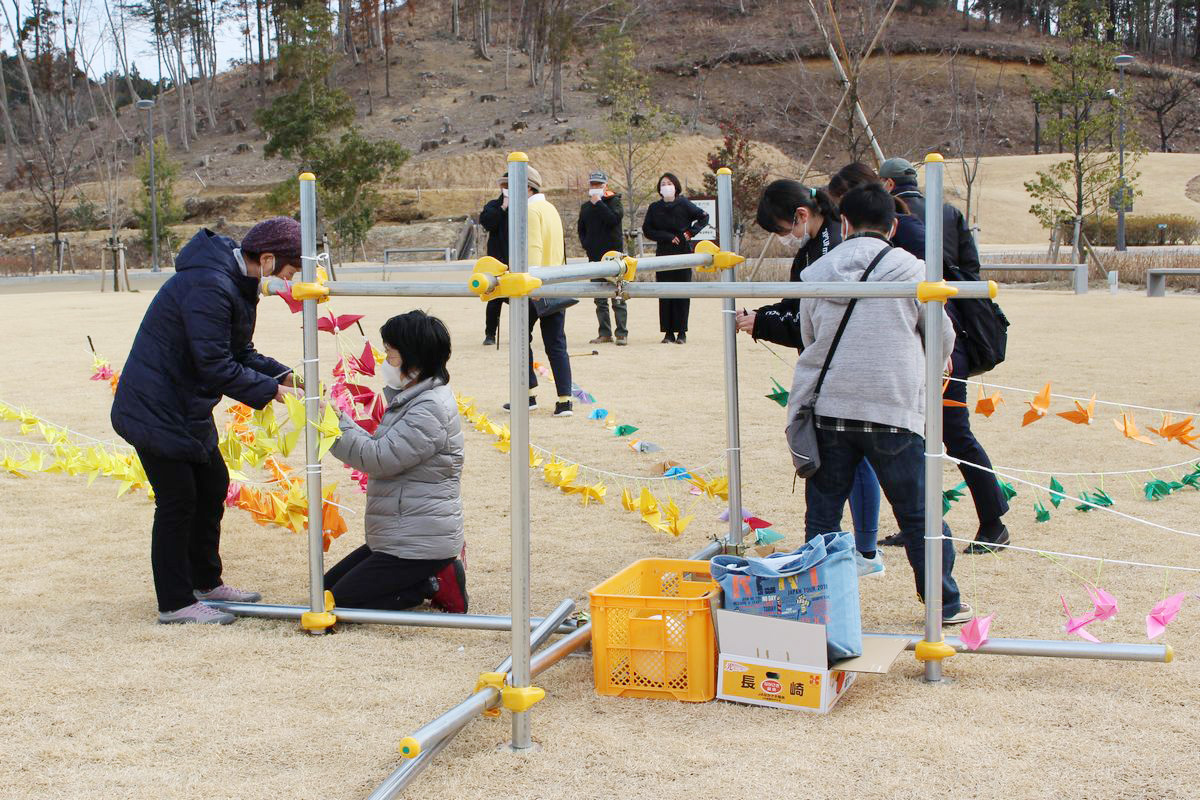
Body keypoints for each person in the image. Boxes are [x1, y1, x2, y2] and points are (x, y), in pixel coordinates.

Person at [786, 183, 971, 624]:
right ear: (893, 225)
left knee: (824, 516)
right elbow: (941, 337)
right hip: (892, 407)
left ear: (844, 223)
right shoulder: (914, 270)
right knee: (917, 512)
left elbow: (809, 337)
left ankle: (818, 604)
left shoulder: (818, 270)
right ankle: (943, 603)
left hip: (829, 407)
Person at [111, 218, 304, 624]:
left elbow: (239, 351)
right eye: (289, 274)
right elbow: (216, 363)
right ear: (267, 260)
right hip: (155, 406)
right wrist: (272, 392)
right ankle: (175, 603)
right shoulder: (210, 285)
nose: (289, 283)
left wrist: (285, 375)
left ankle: (205, 582)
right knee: (178, 501)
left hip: (186, 406)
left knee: (212, 484)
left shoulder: (234, 282)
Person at [737, 179, 883, 578]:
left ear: (800, 215)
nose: (784, 238)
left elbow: (812, 321)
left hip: (841, 373)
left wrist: (762, 321)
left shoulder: (831, 251)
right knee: (850, 463)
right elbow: (797, 307)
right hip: (833, 369)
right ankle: (849, 548)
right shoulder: (815, 246)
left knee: (851, 463)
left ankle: (862, 552)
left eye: (782, 230)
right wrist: (763, 318)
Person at [878, 157, 1010, 554]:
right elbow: (970, 269)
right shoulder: (950, 212)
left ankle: (993, 522)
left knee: (948, 433)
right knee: (937, 436)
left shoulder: (889, 219)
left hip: (926, 340)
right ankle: (922, 522)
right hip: (956, 335)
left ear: (886, 185)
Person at [325, 311, 468, 613]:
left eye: (390, 353)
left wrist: (330, 424)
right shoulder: (414, 396)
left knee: (338, 603)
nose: (384, 360)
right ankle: (426, 577)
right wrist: (334, 418)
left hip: (418, 544)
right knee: (324, 590)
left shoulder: (429, 408)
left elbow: (379, 458)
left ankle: (432, 581)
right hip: (400, 536)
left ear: (414, 360)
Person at [502, 164, 575, 417]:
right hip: (556, 282)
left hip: (535, 286)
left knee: (521, 341)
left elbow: (532, 251)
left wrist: (531, 283)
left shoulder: (531, 211)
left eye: (509, 186)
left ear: (527, 187)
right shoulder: (550, 208)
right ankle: (565, 399)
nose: (506, 191)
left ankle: (528, 395)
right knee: (556, 343)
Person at [641, 172, 709, 344]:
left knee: (682, 292)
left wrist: (690, 233)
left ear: (676, 186)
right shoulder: (655, 208)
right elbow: (648, 230)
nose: (666, 186)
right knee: (665, 293)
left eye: (669, 183)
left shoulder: (684, 204)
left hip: (683, 253)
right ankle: (668, 333)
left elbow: (703, 217)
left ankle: (682, 333)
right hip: (663, 254)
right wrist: (666, 236)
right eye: (663, 183)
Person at [827, 162, 925, 258]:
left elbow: (933, 264)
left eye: (842, 203)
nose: (841, 212)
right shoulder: (851, 231)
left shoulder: (905, 225)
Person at [577, 170, 627, 346]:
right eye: (593, 184)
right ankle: (604, 332)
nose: (595, 187)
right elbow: (581, 229)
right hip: (595, 258)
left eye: (599, 184)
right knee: (599, 298)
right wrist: (586, 244)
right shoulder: (585, 207)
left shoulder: (615, 202)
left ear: (606, 186)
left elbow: (613, 219)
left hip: (614, 259)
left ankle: (621, 333)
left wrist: (599, 204)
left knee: (618, 296)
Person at [478, 174, 510, 346]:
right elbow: (488, 223)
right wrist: (503, 208)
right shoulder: (493, 205)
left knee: (521, 298)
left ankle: (524, 331)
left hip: (517, 261)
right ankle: (490, 333)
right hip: (496, 260)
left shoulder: (527, 206)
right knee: (493, 299)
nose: (506, 187)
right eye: (504, 184)